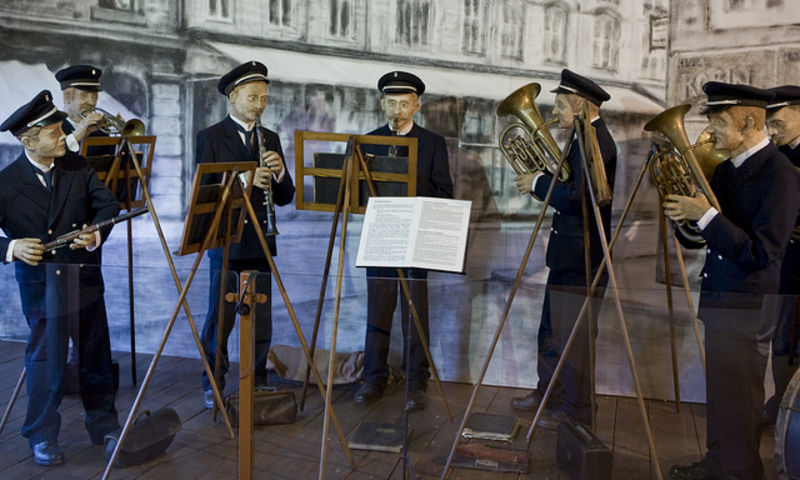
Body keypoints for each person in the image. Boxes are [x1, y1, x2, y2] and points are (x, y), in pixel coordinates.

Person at [665, 82, 800, 480]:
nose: (710, 133)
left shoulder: (781, 175)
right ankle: (719, 460)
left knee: (742, 397)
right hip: (721, 297)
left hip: (750, 304)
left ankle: (740, 471)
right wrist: (686, 220)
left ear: (746, 121)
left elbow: (763, 252)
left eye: (719, 122)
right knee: (722, 394)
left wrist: (704, 215)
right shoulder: (726, 169)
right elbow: (706, 233)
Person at [0, 90, 121, 466]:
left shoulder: (77, 168)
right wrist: (12, 247)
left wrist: (94, 233)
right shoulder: (5, 183)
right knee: (46, 365)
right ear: (28, 140)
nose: (62, 136)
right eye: (53, 132)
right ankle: (40, 436)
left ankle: (106, 429)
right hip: (42, 288)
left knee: (95, 361)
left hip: (83, 281)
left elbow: (108, 205)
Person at [509, 69, 617, 430]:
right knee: (552, 332)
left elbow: (579, 200)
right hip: (568, 255)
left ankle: (576, 412)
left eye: (558, 103)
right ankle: (549, 396)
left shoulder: (596, 142)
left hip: (583, 258)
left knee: (576, 342)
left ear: (581, 105)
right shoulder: (581, 137)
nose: (553, 110)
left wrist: (538, 182)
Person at [352, 71, 454, 411]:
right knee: (378, 311)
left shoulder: (432, 144)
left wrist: (411, 196)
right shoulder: (366, 142)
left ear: (417, 106)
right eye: (391, 103)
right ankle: (374, 379)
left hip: (415, 238)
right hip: (380, 237)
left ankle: (416, 383)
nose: (397, 110)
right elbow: (356, 194)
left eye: (404, 104)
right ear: (383, 104)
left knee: (414, 313)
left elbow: (444, 193)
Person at [196, 61, 295, 409]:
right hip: (226, 242)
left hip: (261, 241)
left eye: (265, 99)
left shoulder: (271, 138)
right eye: (253, 98)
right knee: (219, 319)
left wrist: (281, 174)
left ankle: (257, 382)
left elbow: (285, 198)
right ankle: (213, 382)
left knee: (261, 321)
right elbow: (205, 192)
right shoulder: (209, 137)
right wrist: (245, 181)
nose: (259, 105)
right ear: (233, 96)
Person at [762, 86, 800, 426]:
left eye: (777, 121)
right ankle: (781, 404)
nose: (771, 130)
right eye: (768, 123)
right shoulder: (780, 156)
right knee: (782, 342)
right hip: (785, 265)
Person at [55, 64, 115, 157]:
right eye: (84, 95)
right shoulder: (52, 129)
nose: (91, 102)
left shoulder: (98, 131)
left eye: (94, 96)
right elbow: (52, 164)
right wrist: (76, 137)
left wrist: (123, 138)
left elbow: (120, 165)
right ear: (67, 98)